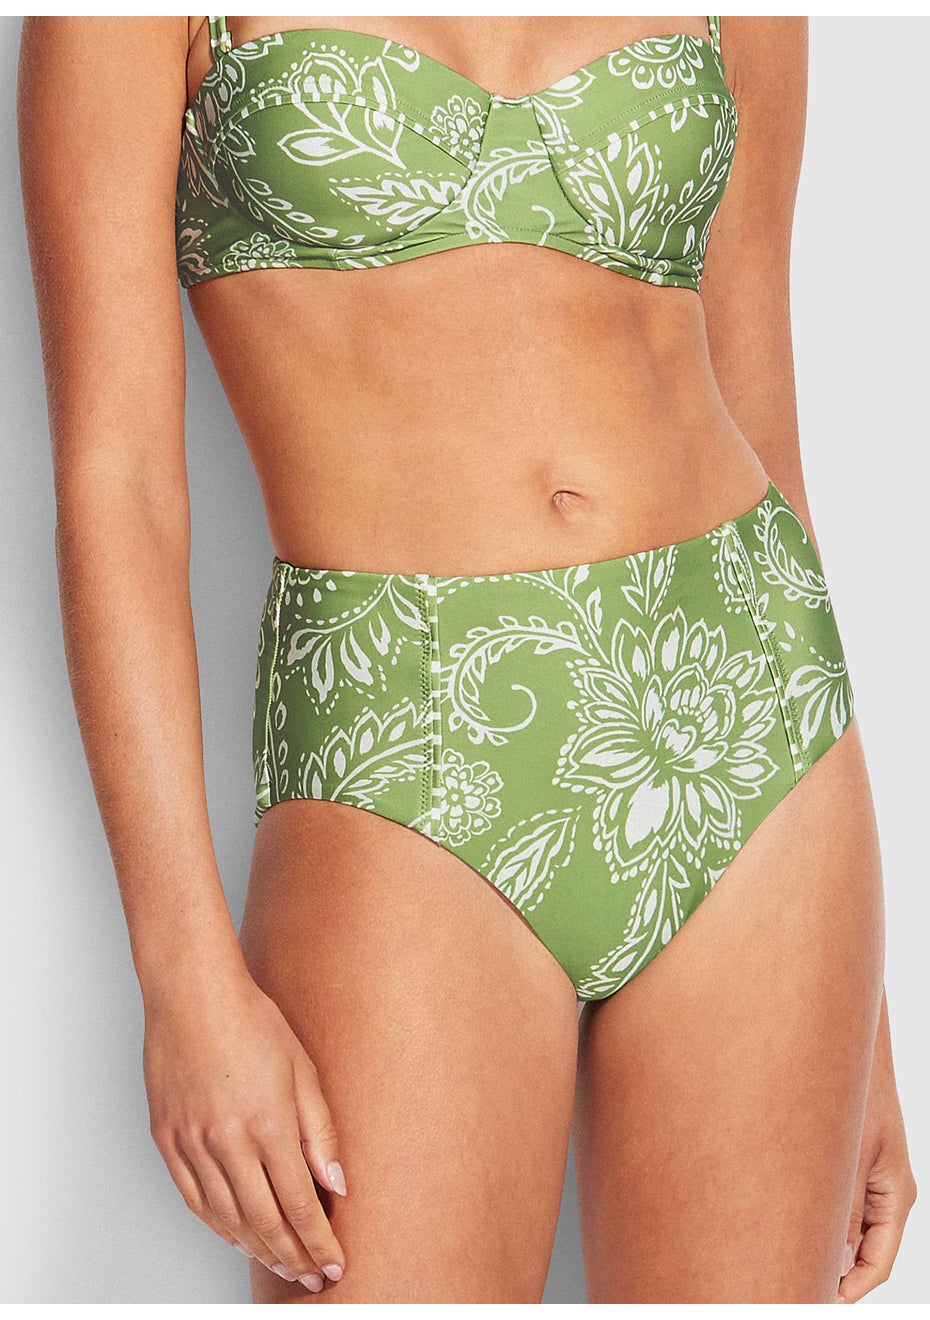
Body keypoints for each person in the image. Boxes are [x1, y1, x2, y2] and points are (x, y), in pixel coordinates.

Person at [18, 15, 916, 1304]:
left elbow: (761, 400)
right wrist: (185, 983)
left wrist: (863, 1019)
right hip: (404, 728)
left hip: (751, 704)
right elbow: (120, 490)